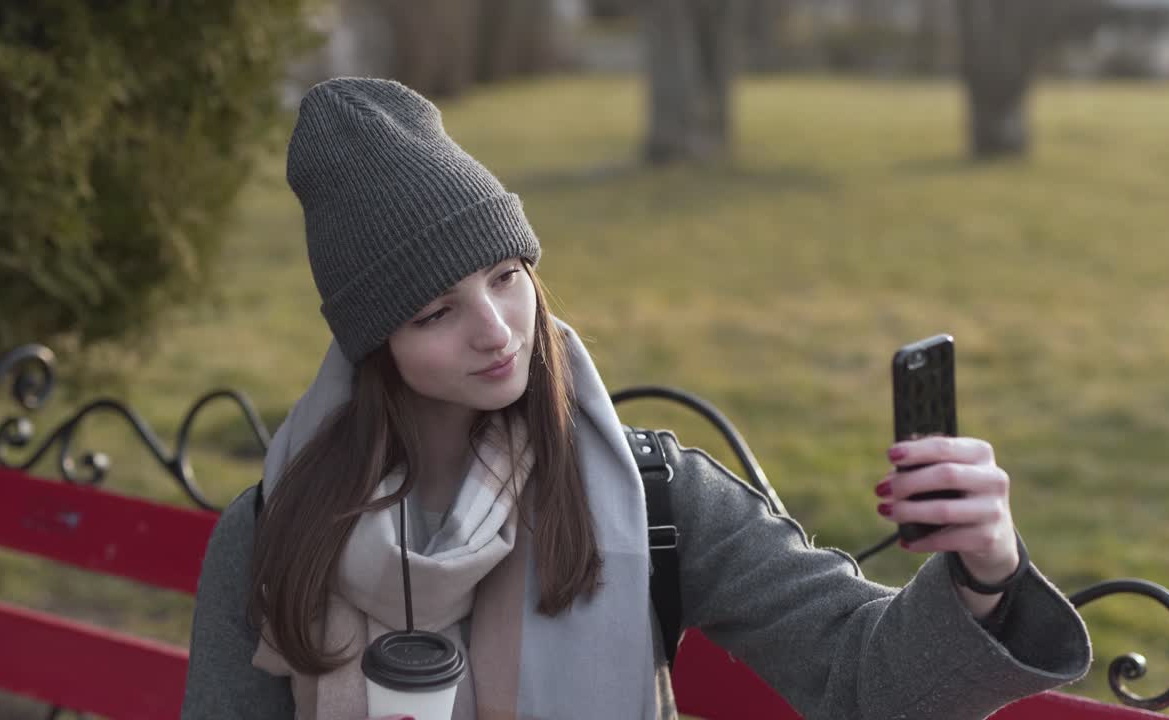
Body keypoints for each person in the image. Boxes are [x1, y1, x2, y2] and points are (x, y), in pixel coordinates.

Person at [181, 78, 1091, 720]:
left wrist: (985, 570)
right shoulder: (272, 532)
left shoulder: (655, 498)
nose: (498, 329)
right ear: (375, 343)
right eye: (436, 310)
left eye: (506, 275)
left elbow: (866, 684)